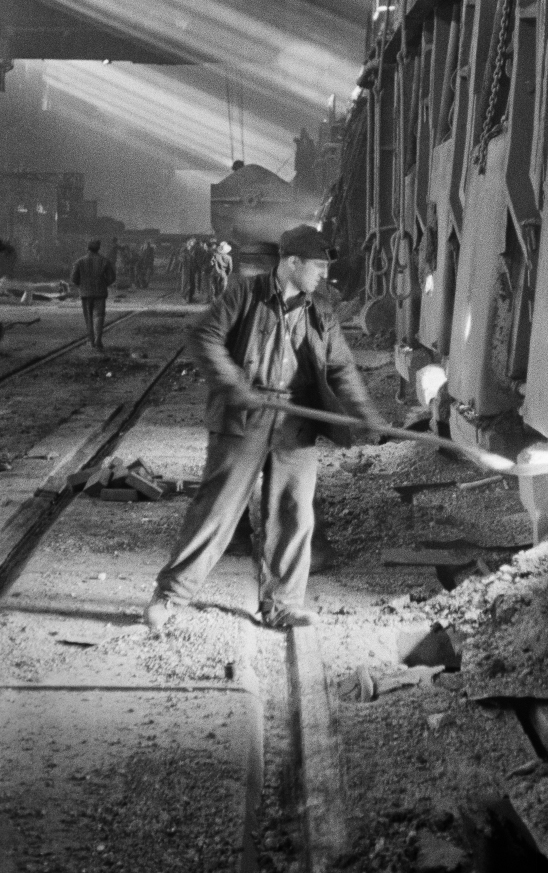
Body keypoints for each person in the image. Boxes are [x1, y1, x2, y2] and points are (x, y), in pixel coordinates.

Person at [145, 224, 380, 632]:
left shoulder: (321, 308)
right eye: (318, 266)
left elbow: (340, 365)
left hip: (297, 419)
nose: (324, 274)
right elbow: (204, 336)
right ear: (292, 263)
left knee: (294, 513)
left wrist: (363, 411)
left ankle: (282, 605)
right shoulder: (245, 294)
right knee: (217, 510)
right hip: (246, 417)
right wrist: (237, 385)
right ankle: (170, 597)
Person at [70, 238, 116, 350]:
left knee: (89, 317)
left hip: (85, 294)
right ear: (98, 248)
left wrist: (82, 284)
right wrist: (104, 283)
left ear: (87, 248)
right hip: (100, 292)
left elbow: (74, 279)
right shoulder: (105, 261)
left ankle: (91, 341)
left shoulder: (79, 262)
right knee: (99, 315)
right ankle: (98, 339)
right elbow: (111, 278)